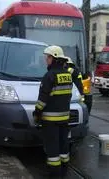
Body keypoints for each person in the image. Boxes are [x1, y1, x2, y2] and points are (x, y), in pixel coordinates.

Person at [33, 45, 73, 178]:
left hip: (50, 121)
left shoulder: (49, 76)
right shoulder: (67, 75)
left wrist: (37, 113)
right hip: (64, 118)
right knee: (63, 147)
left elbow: (42, 100)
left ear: (54, 58)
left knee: (52, 150)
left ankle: (54, 174)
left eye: (48, 57)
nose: (46, 60)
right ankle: (64, 171)